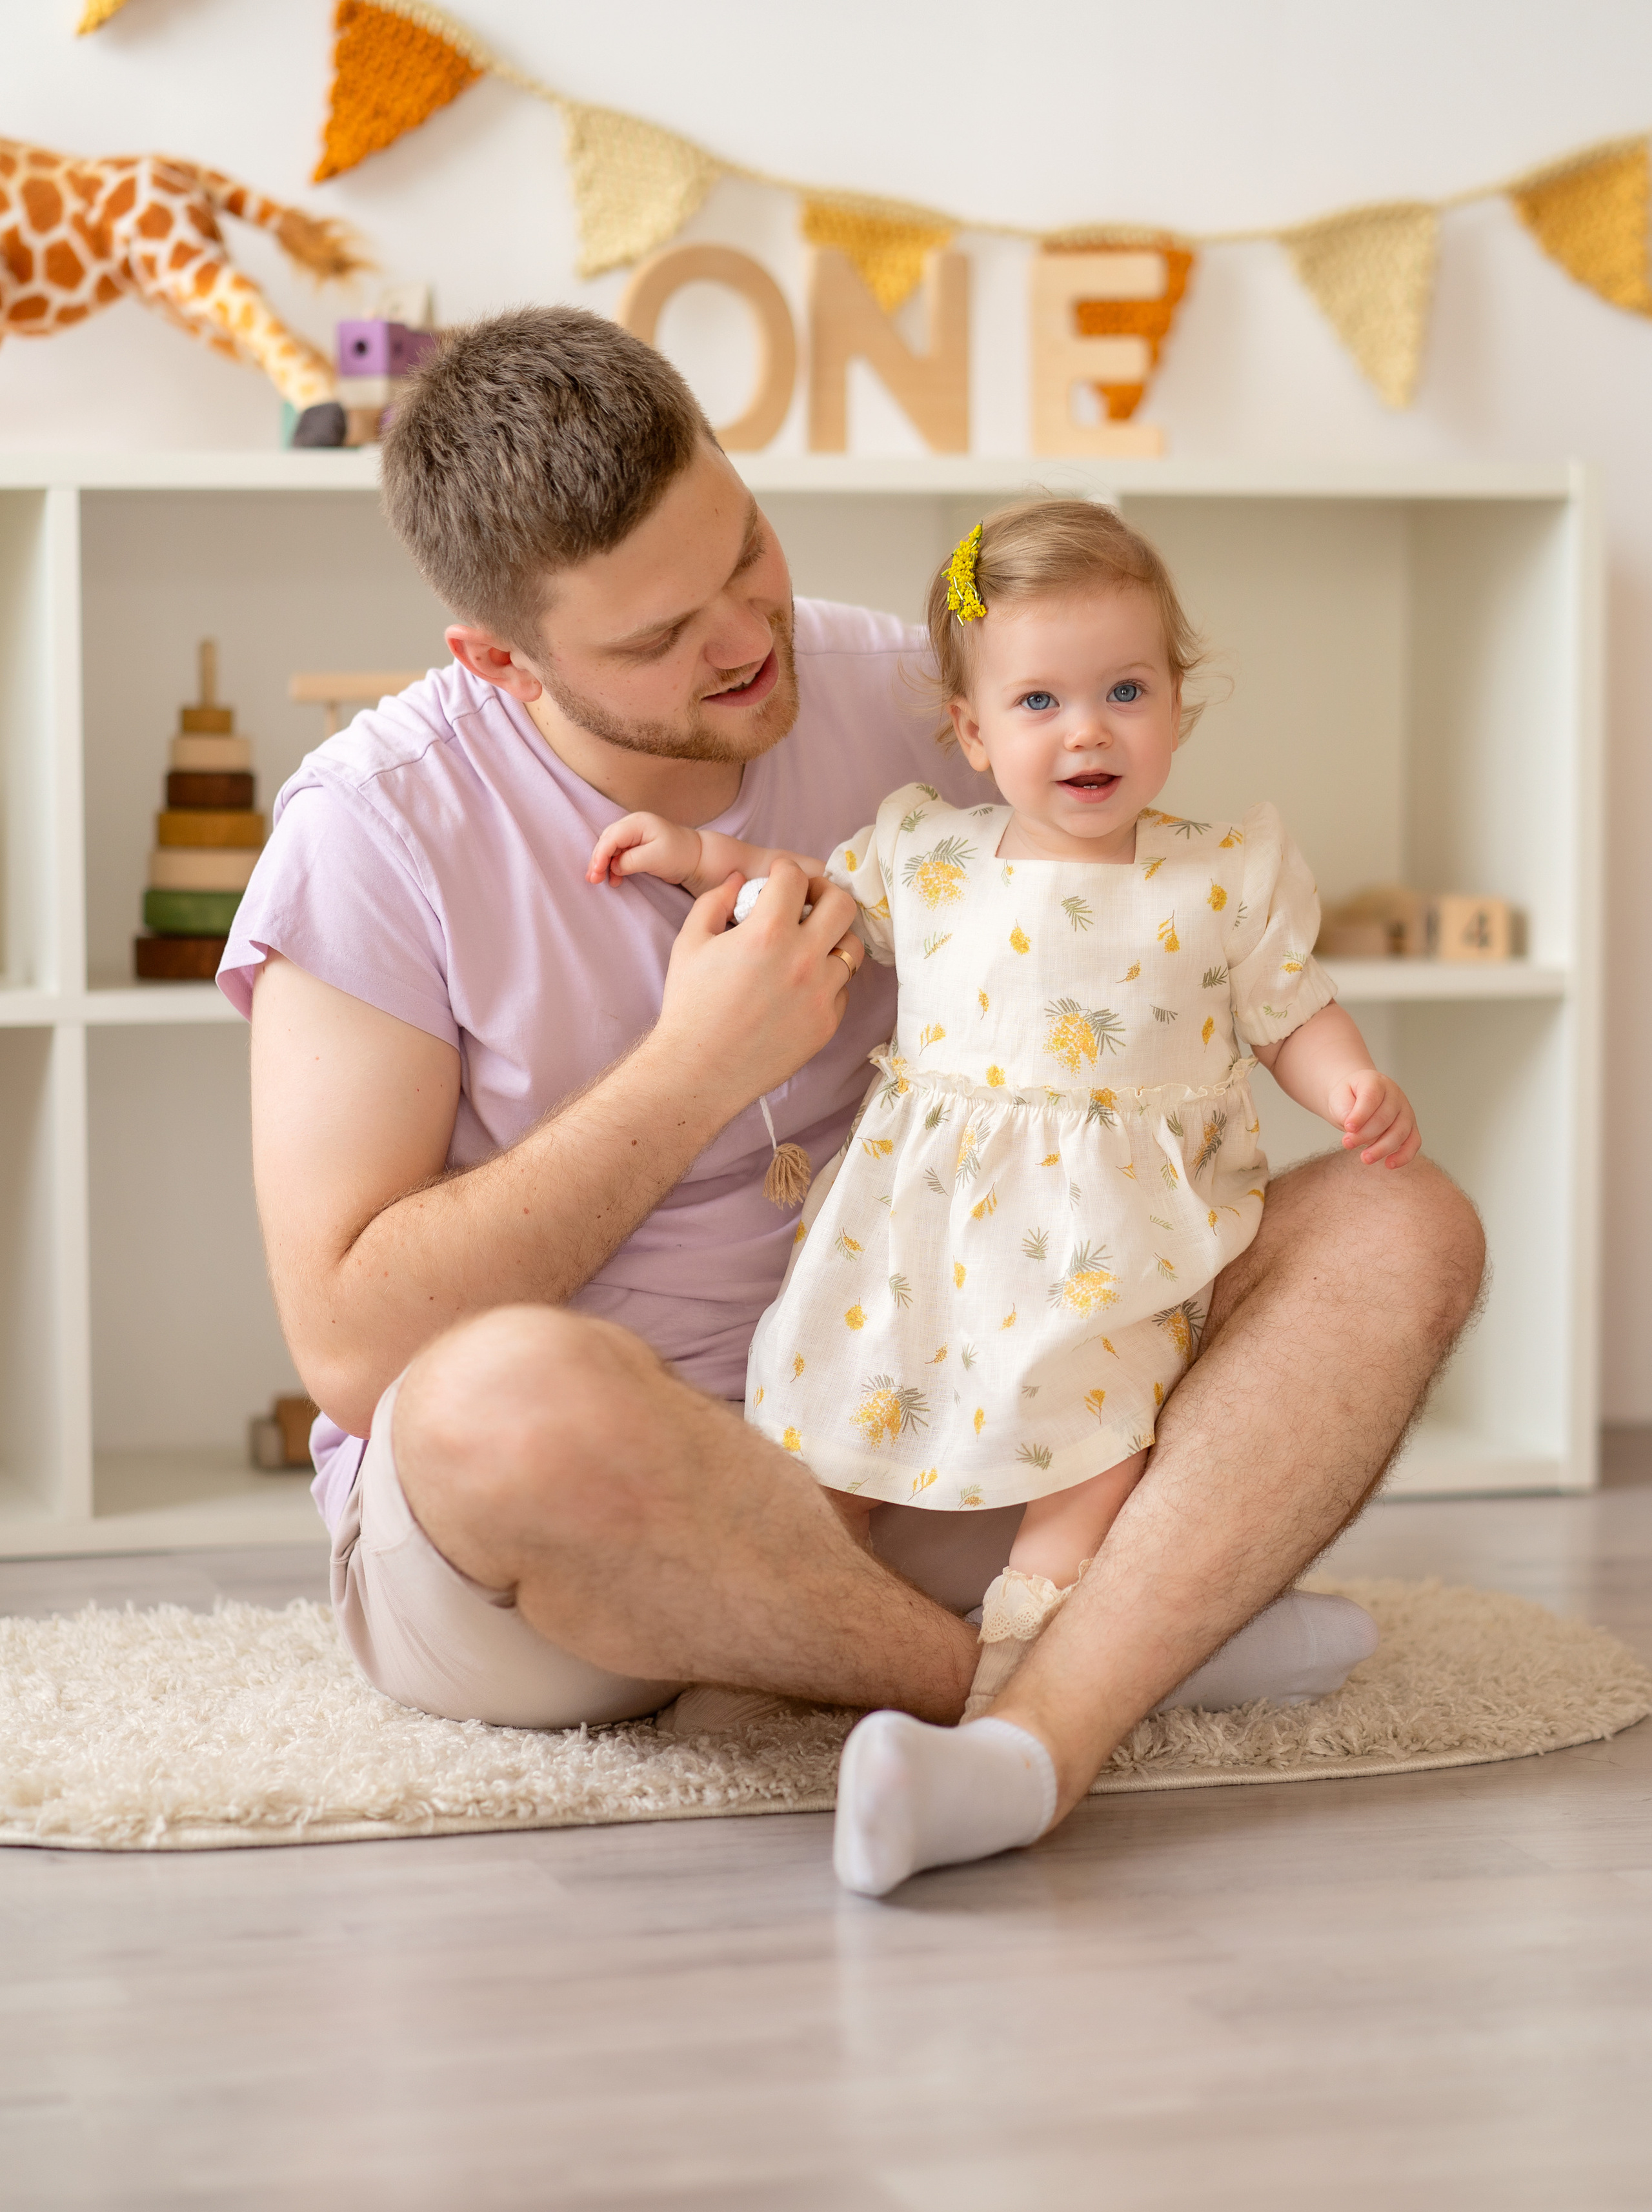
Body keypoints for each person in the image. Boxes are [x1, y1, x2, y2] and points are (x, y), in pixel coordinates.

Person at [219, 306, 1483, 1875]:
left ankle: (1008, 1725)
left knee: (1400, 1225)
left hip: (942, 1422)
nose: (744, 639)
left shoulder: (923, 691)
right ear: (497, 659)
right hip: (581, 1531)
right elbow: (353, 1350)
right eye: (656, 639)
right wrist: (694, 1072)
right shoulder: (373, 829)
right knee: (497, 1401)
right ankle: (1082, 1683)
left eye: (743, 552)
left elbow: (1134, 935)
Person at [582, 498, 1422, 1892]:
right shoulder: (931, 854)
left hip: (1111, 1247)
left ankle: (1030, 1664)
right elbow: (805, 902)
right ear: (971, 733)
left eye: (1124, 692)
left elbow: (1290, 1010)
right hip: (919, 1237)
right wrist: (698, 860)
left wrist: (1347, 1087)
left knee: (1099, 1448)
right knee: (836, 1431)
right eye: (1039, 701)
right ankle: (768, 1654)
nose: (1086, 732)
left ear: (1177, 706)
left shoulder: (1220, 875)